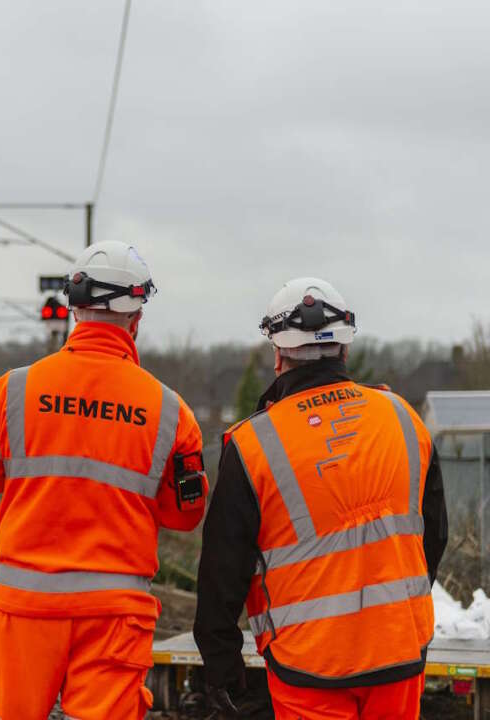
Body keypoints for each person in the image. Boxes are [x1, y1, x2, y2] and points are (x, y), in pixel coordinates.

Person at [0, 241, 209, 720]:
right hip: (114, 616)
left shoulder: (11, 390)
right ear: (136, 319)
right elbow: (184, 514)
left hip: (23, 608)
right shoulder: (172, 413)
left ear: (74, 309)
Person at [193, 277, 448, 719]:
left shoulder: (254, 444)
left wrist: (221, 664)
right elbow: (434, 534)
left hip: (307, 662)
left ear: (278, 356)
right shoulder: (403, 418)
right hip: (399, 653)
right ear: (345, 349)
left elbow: (222, 568)